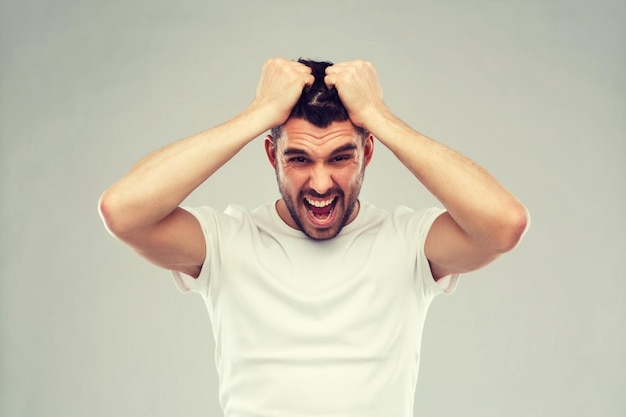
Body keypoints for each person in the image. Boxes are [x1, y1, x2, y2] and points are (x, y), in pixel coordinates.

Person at [99, 58, 529, 417]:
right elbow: (123, 211)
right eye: (300, 158)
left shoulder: (409, 242)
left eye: (341, 157)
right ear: (272, 155)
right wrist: (259, 113)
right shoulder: (227, 241)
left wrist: (378, 116)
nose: (321, 183)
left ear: (368, 153)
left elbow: (503, 223)